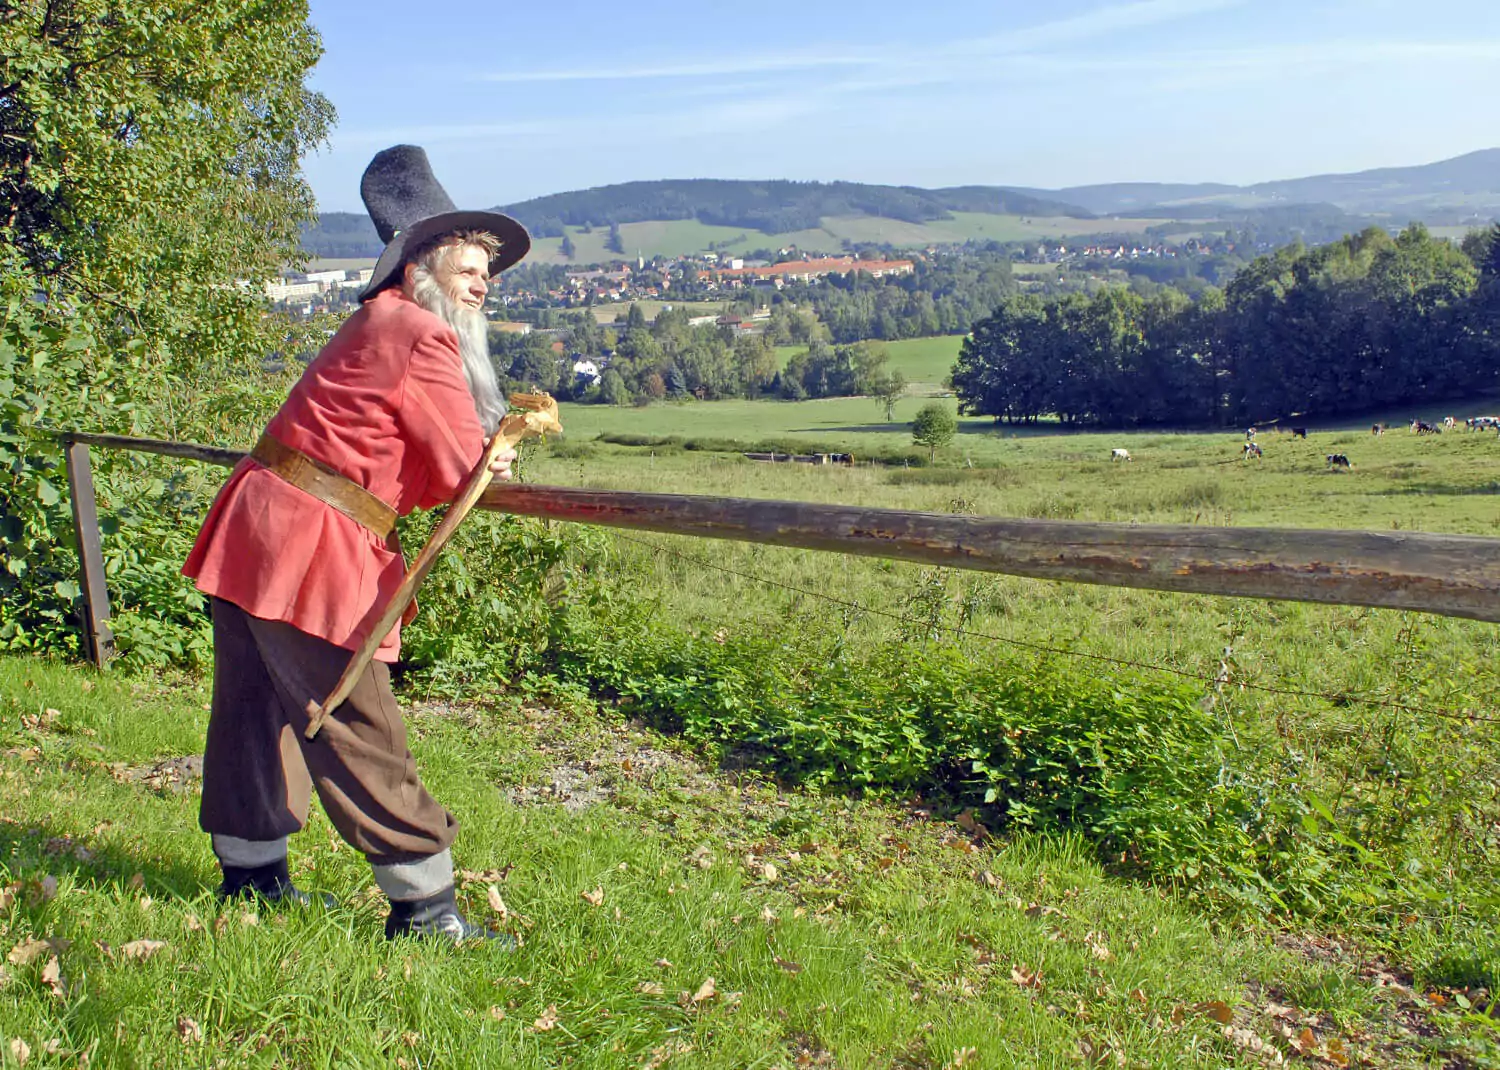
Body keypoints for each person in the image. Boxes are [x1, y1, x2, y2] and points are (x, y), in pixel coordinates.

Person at [182, 145, 531, 942]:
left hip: (258, 526)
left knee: (253, 710)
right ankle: (426, 911)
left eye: (487, 271)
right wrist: (497, 452)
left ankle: (253, 882)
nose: (483, 283)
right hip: (312, 543)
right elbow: (453, 467)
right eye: (469, 267)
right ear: (419, 268)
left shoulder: (375, 320)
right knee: (353, 717)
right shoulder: (418, 331)